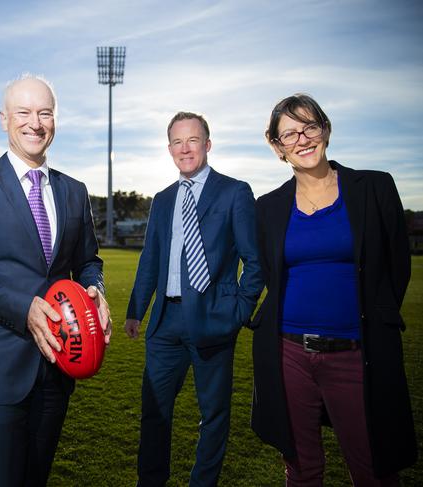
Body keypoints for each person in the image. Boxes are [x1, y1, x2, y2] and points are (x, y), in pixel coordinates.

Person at [0, 74, 111, 487]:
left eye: (45, 113)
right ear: (4, 120)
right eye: (24, 113)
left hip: (58, 367)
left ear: (55, 120)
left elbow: (88, 261)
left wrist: (94, 290)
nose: (35, 123)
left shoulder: (74, 190)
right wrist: (22, 307)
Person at [251, 93, 417, 486]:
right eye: (289, 133)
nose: (302, 138)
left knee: (373, 469)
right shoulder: (269, 206)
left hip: (358, 352)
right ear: (277, 146)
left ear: (325, 129)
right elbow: (270, 275)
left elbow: (396, 267)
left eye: (309, 126)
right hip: (289, 352)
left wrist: (370, 321)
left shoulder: (373, 188)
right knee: (302, 469)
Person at [125, 111, 263, 486]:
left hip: (214, 318)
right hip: (165, 322)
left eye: (193, 140)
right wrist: (136, 310)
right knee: (154, 412)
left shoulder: (235, 192)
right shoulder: (164, 198)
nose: (185, 148)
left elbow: (255, 260)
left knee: (213, 414)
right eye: (177, 141)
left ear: (207, 144)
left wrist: (239, 309)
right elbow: (150, 258)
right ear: (169, 148)